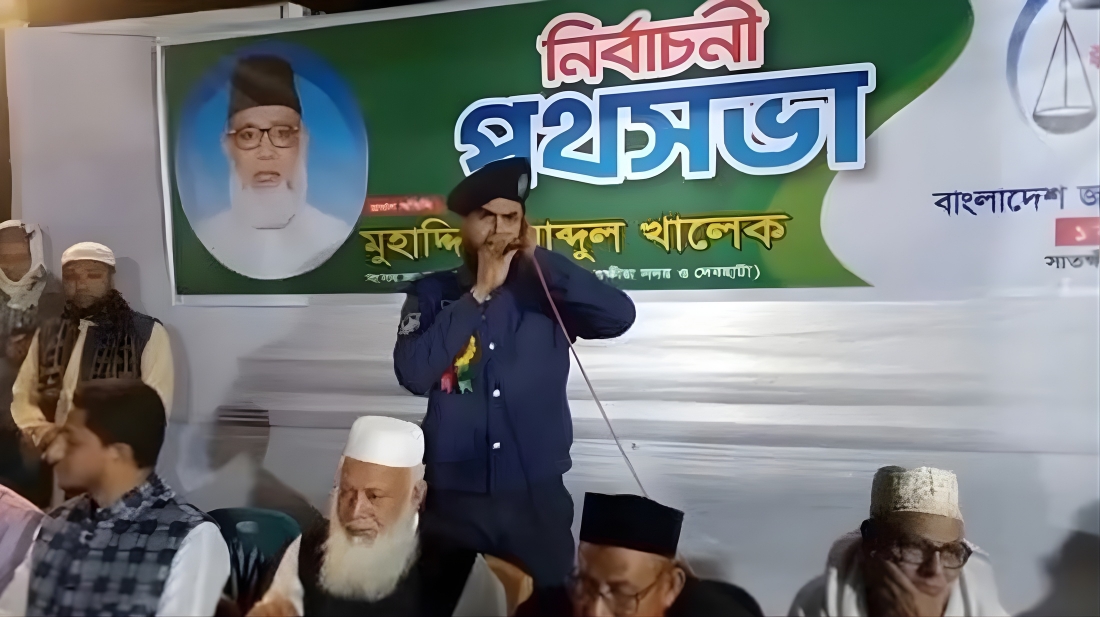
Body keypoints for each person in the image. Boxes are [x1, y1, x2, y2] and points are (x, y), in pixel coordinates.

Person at [394, 158, 636, 587]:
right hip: (456, 500)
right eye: (487, 216)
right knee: (452, 603)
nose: (499, 229)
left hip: (535, 494)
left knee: (547, 604)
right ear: (465, 224)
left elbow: (619, 317)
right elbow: (414, 374)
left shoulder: (547, 289)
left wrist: (539, 258)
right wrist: (479, 293)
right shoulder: (432, 292)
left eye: (510, 217)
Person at [0, 379, 230, 616]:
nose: (53, 454)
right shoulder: (57, 522)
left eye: (72, 441)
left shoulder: (191, 537)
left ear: (117, 453)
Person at [247, 415, 509, 617]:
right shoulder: (305, 551)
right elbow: (276, 608)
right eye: (347, 492)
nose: (355, 511)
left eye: (374, 497)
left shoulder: (463, 572)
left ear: (416, 496)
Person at [10, 241, 174, 482]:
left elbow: (154, 411)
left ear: (110, 279)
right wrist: (45, 434)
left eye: (93, 275)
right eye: (71, 276)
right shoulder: (49, 332)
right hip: (53, 464)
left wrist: (99, 452)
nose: (82, 284)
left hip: (115, 470)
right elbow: (24, 395)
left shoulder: (146, 333)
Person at [194, 55, 349, 280]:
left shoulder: (336, 235)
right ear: (228, 147)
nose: (266, 152)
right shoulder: (207, 236)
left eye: (283, 134)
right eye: (248, 135)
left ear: (303, 143)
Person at [789, 466, 1008, 617]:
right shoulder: (815, 605)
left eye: (950, 552)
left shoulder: (979, 604)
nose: (935, 571)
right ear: (872, 545)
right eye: (915, 549)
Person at [517, 492, 763, 617]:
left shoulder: (717, 613)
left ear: (670, 586)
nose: (595, 612)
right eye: (587, 587)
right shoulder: (554, 606)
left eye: (621, 593)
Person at [0, 220, 61, 505]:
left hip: (37, 413)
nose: (11, 264)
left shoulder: (55, 294)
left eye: (18, 256)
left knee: (32, 501)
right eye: (5, 256)